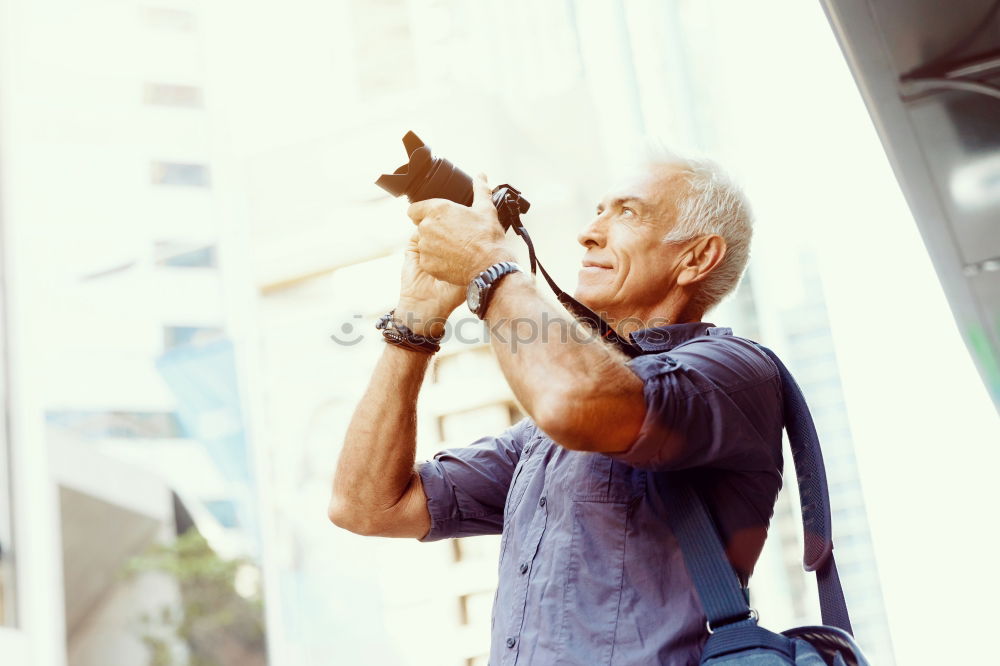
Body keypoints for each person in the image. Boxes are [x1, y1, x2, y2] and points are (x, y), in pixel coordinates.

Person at [328, 153, 784, 665]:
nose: (588, 233)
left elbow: (575, 402)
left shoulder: (734, 371)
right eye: (597, 211)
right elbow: (366, 506)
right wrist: (416, 319)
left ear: (697, 258)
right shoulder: (541, 442)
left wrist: (488, 265)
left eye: (627, 213)